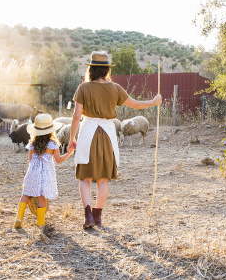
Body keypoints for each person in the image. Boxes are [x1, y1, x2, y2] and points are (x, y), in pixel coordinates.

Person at [68, 51, 162, 229]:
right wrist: (153, 101)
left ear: (92, 69)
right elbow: (135, 104)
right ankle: (98, 217)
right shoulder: (115, 88)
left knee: (85, 178)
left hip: (88, 132)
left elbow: (76, 116)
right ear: (106, 70)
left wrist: (72, 138)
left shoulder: (83, 88)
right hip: (107, 135)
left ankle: (88, 216)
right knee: (103, 179)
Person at [14, 113, 75, 229]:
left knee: (26, 193)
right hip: (45, 174)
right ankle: (40, 221)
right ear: (51, 130)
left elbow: (30, 160)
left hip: (33, 172)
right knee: (42, 197)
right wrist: (69, 153)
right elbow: (58, 160)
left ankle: (18, 218)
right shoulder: (53, 144)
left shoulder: (32, 143)